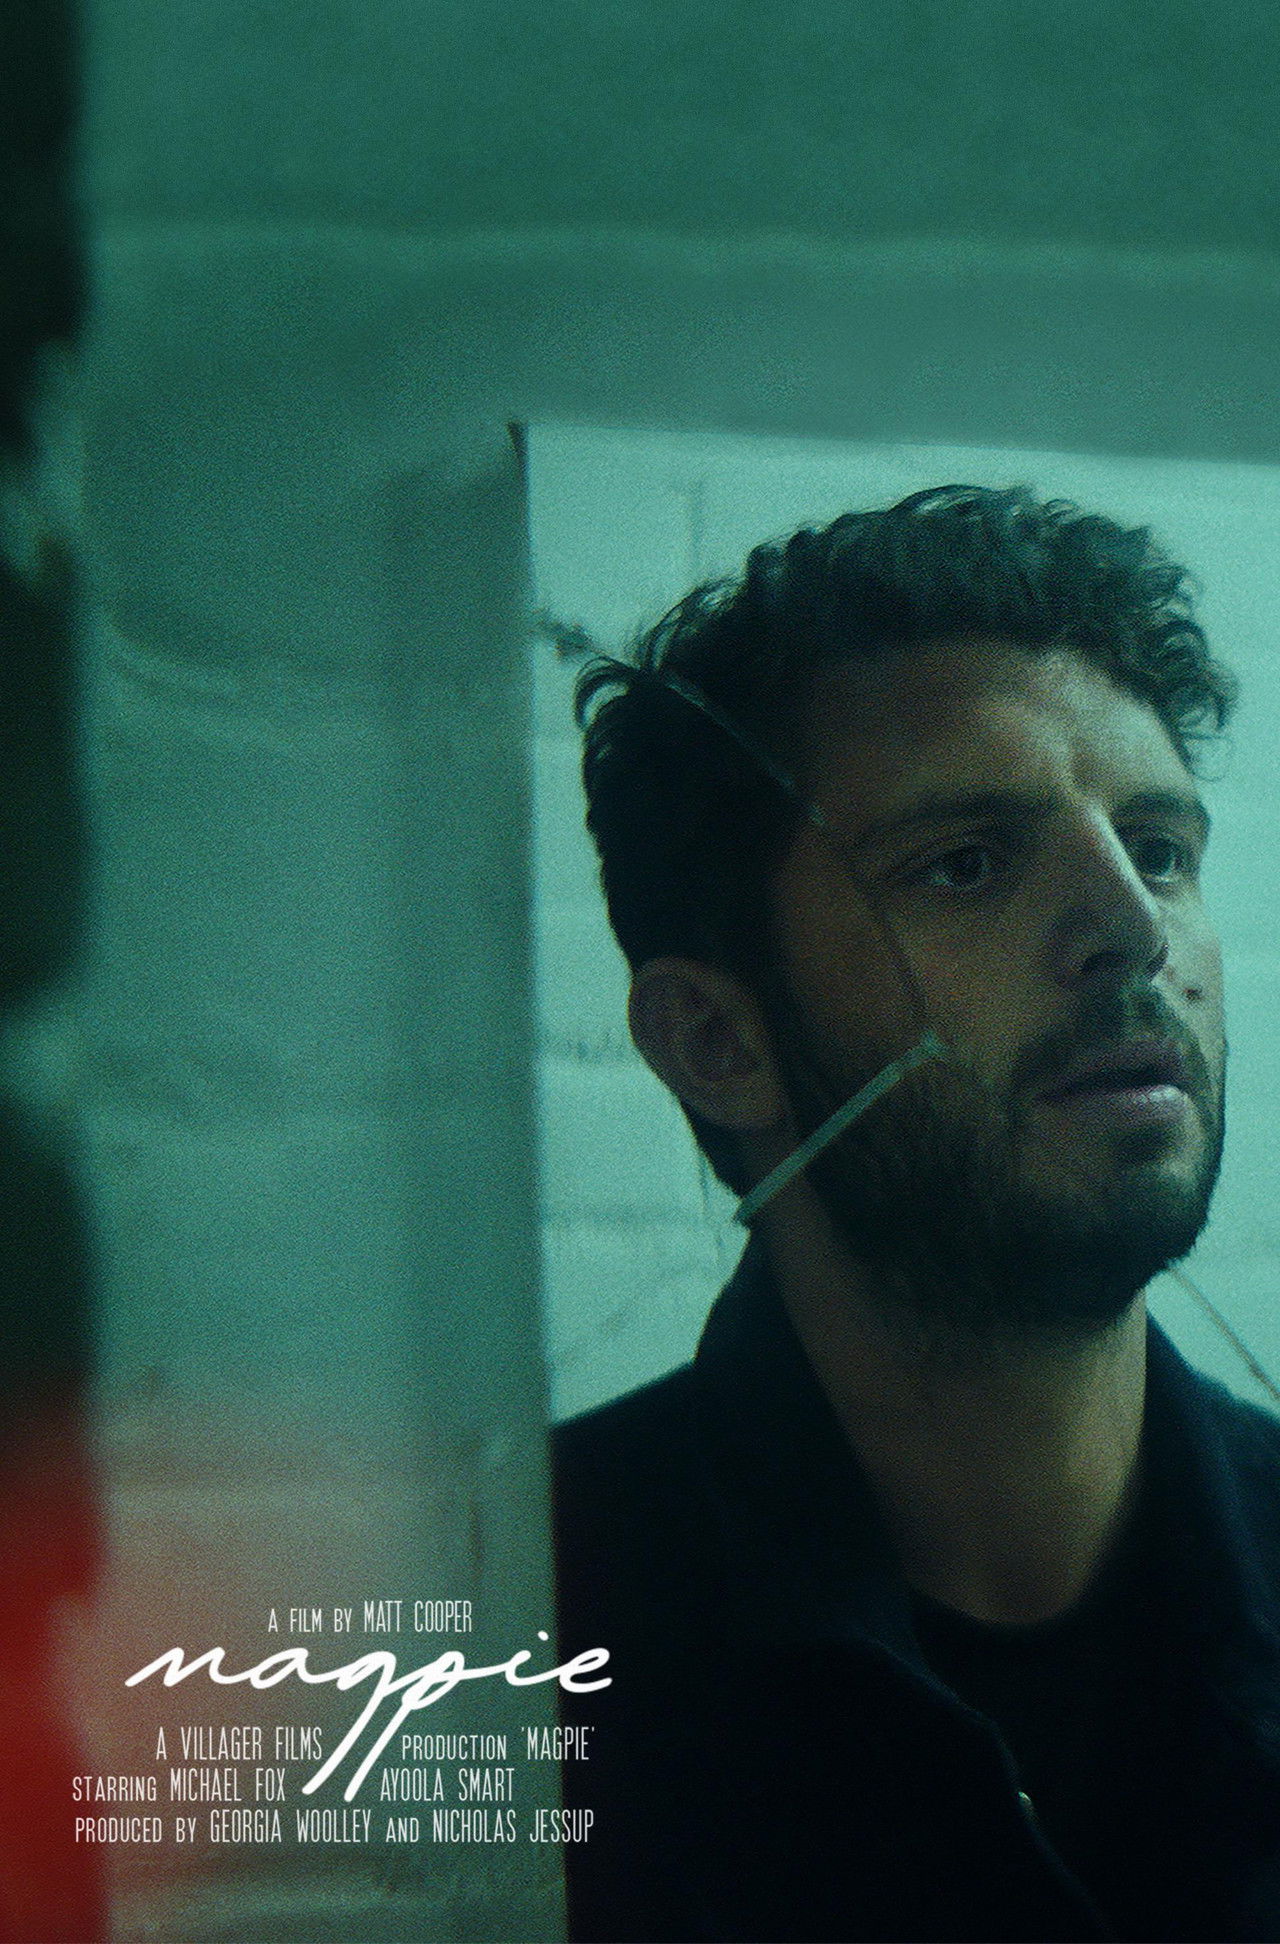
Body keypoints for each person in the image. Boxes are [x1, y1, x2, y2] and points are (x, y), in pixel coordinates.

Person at [552, 484, 1280, 1943]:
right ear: (716, 1041)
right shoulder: (518, 1612)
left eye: (1160, 848)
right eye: (966, 863)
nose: (1132, 929)